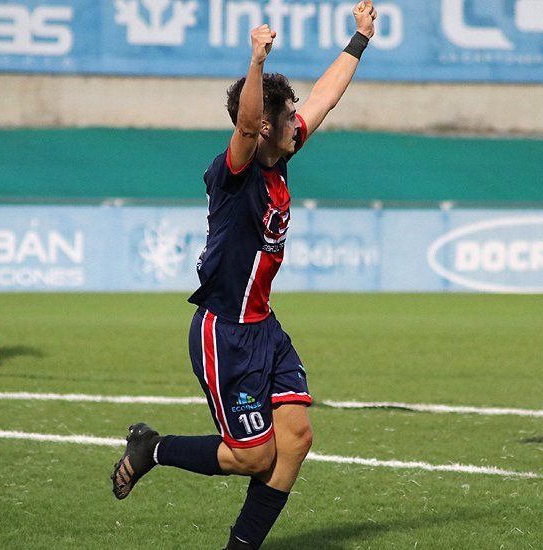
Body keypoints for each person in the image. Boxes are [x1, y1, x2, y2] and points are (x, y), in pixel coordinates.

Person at [110, 2, 376, 547]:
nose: (298, 120)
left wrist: (358, 40)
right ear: (262, 127)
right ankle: (152, 449)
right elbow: (247, 124)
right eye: (287, 116)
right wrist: (256, 63)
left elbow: (323, 97)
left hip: (264, 329)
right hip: (223, 332)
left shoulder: (282, 157)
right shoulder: (238, 170)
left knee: (296, 438)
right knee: (253, 456)